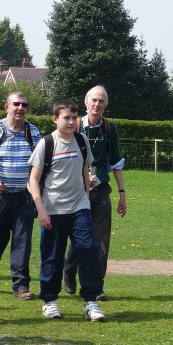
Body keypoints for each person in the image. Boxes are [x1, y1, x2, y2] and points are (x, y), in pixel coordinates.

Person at [28, 99, 105, 322]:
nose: (71, 122)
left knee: (89, 248)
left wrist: (87, 195)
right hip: (52, 209)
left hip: (79, 206)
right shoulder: (46, 144)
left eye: (74, 117)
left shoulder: (82, 141)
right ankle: (50, 301)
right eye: (66, 118)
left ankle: (91, 301)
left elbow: (85, 169)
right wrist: (41, 209)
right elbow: (33, 179)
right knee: (52, 257)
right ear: (55, 119)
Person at [63, 85, 126, 301]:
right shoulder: (75, 125)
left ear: (105, 105)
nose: (97, 104)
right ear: (86, 103)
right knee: (80, 237)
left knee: (101, 241)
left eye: (101, 101)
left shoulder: (110, 129)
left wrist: (122, 193)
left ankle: (96, 286)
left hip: (100, 193)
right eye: (94, 100)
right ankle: (69, 272)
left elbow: (116, 161)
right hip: (77, 192)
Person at [0, 92, 41, 301]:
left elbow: (39, 162)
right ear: (7, 106)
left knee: (23, 241)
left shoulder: (33, 131)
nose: (20, 108)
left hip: (23, 196)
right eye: (16, 104)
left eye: (24, 104)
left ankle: (21, 286)